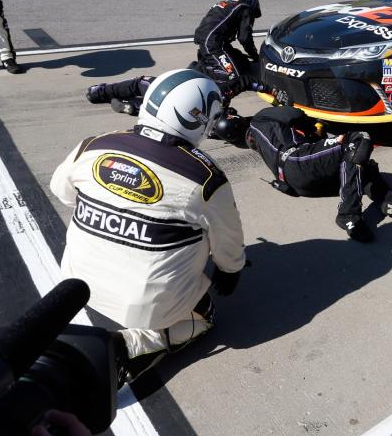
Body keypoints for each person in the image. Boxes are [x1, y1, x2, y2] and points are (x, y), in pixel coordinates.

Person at [50, 69, 246, 381]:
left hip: (76, 284)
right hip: (142, 308)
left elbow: (62, 193)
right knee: (205, 315)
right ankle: (129, 346)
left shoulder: (93, 145)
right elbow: (229, 241)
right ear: (200, 118)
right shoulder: (206, 178)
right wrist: (230, 270)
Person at [243, 105, 392, 242]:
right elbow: (296, 115)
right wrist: (313, 130)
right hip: (298, 161)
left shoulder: (260, 142)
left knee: (360, 167)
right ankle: (348, 213)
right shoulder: (260, 117)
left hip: (297, 182)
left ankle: (389, 202)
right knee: (358, 139)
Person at [192, 0, 261, 97]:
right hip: (213, 44)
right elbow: (244, 38)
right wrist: (256, 56)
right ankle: (200, 70)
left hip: (212, 40)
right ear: (252, 3)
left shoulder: (227, 4)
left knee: (242, 61)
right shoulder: (245, 8)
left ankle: (208, 62)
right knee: (233, 76)